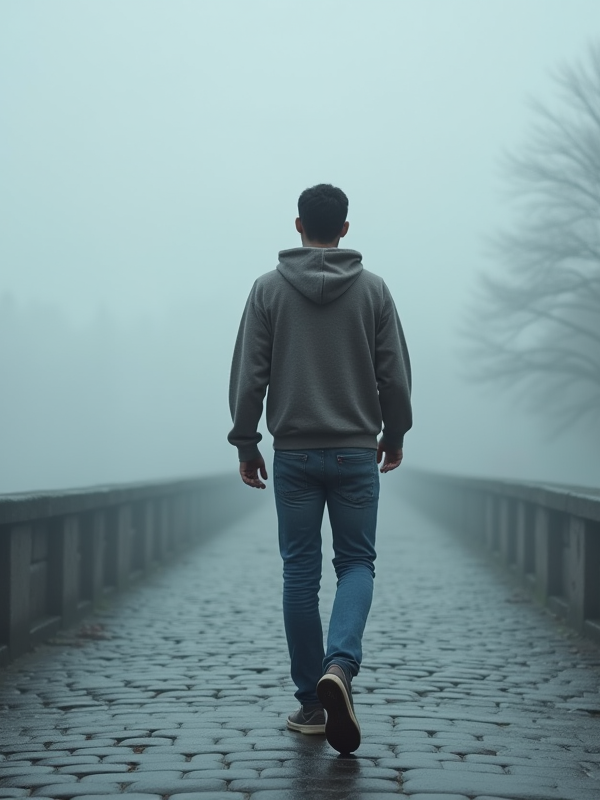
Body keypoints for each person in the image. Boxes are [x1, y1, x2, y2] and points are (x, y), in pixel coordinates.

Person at [227, 183, 413, 755]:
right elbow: (394, 376)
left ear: (298, 225)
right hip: (357, 452)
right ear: (346, 229)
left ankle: (312, 700)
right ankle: (341, 666)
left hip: (296, 455)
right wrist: (394, 433)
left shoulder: (267, 292)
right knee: (357, 563)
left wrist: (245, 440)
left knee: (300, 574)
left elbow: (249, 375)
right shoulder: (374, 291)